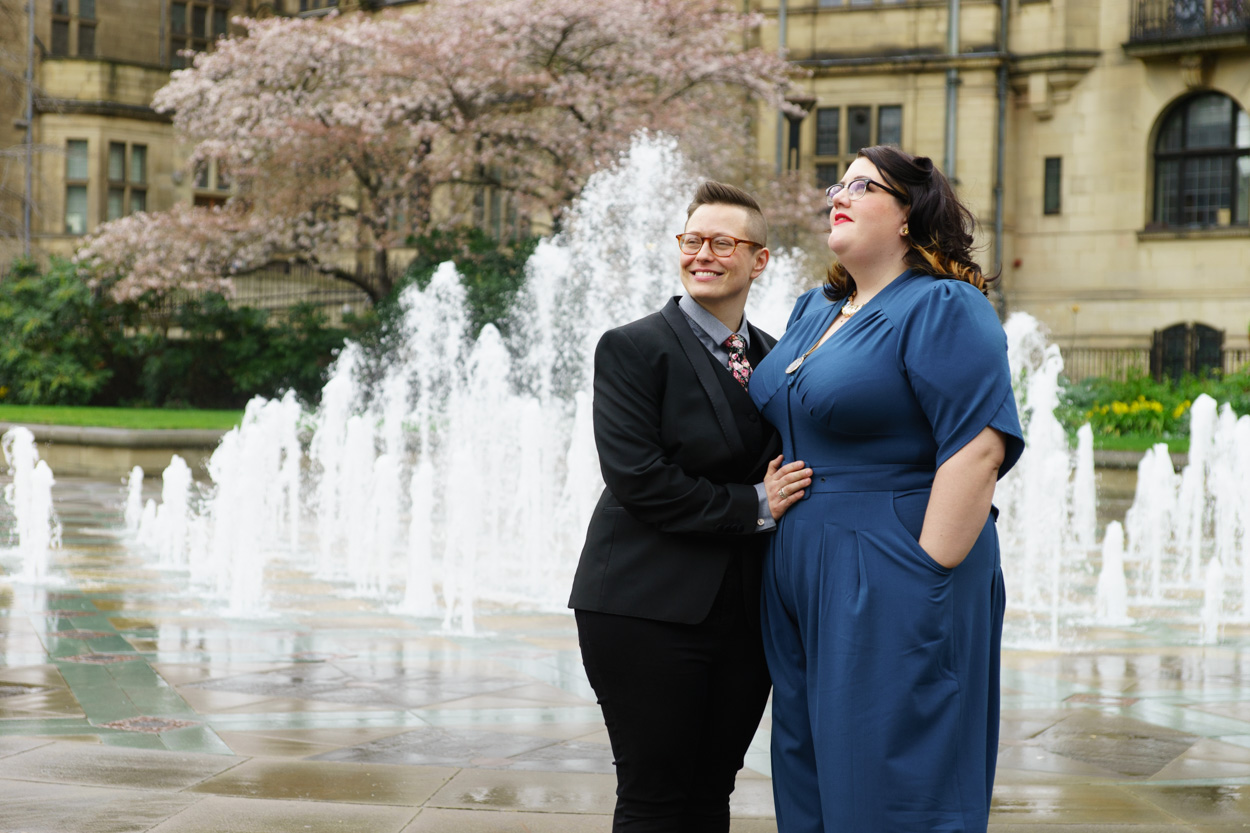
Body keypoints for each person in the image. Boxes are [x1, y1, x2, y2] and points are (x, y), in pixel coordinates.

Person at [748, 147, 1025, 833]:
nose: (838, 194)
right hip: (802, 567)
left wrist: (925, 573)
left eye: (862, 185)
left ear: (908, 215)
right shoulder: (817, 307)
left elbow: (979, 445)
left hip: (890, 564)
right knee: (811, 774)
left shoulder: (944, 305)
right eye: (836, 183)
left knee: (894, 778)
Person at [569, 181, 813, 833]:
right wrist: (757, 503)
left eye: (722, 242)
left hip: (742, 614)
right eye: (692, 240)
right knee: (653, 796)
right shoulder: (632, 348)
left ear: (758, 260)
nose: (703, 253)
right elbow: (637, 477)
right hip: (642, 605)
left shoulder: (778, 356)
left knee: (710, 794)